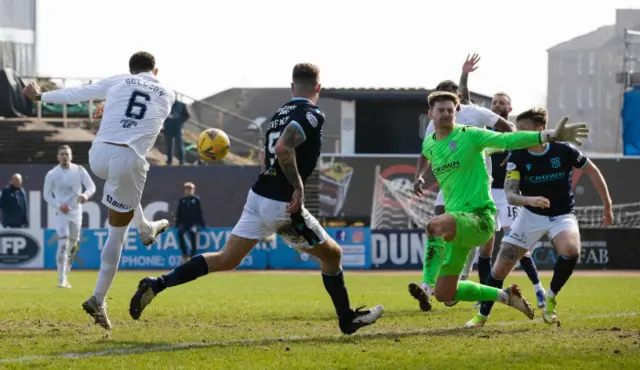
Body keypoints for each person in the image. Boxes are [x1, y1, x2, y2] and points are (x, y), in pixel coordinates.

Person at [129, 63, 384, 335]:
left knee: (227, 259)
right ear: (318, 88)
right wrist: (298, 187)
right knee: (333, 255)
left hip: (258, 197)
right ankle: (346, 318)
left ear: (291, 86)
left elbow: (267, 159)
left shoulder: (277, 115)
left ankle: (157, 283)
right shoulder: (311, 113)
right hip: (282, 205)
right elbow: (283, 147)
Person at [23, 51, 174, 330]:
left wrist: (41, 96)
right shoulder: (168, 92)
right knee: (118, 233)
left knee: (125, 192)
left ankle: (146, 228)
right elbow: (145, 111)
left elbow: (79, 93)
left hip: (98, 154)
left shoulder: (120, 81)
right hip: (128, 158)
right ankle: (98, 298)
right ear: (156, 71)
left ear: (131, 70)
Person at [410, 91, 589, 320]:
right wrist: (420, 176)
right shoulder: (430, 143)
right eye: (441, 110)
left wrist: (549, 135)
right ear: (430, 114)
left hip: (480, 218)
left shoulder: (470, 135)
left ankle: (425, 285)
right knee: (445, 293)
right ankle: (505, 296)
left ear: (457, 113)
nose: (446, 114)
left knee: (434, 226)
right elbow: (426, 154)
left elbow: (508, 140)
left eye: (450, 110)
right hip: (458, 225)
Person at [466, 107, 611, 327]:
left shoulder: (564, 149)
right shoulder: (517, 155)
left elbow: (593, 171)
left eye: (523, 129)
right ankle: (482, 315)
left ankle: (550, 296)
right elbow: (511, 194)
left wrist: (607, 204)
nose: (519, 134)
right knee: (501, 266)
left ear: (540, 129)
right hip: (530, 215)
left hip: (562, 214)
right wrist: (529, 201)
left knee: (571, 250)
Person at [409, 54, 517, 311]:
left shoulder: (475, 114)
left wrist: (510, 151)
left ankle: (462, 277)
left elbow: (508, 130)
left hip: (475, 185)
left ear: (458, 101)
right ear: (433, 109)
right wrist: (420, 175)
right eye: (441, 102)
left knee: (480, 243)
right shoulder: (434, 126)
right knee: (437, 223)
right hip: (449, 186)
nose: (446, 109)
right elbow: (426, 152)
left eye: (451, 101)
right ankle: (435, 283)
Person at [463, 92, 546, 310]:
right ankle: (484, 295)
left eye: (502, 103)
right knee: (485, 248)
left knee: (516, 243)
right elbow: (465, 102)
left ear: (509, 108)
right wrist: (465, 76)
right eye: (494, 103)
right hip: (487, 193)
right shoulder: (483, 129)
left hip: (508, 194)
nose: (497, 105)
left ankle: (539, 288)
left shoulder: (515, 133)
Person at [43, 145, 96, 288]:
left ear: (71, 156)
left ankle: (66, 274)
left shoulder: (79, 170)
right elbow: (47, 195)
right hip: (61, 213)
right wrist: (59, 205)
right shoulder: (52, 174)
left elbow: (91, 186)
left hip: (76, 212)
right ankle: (61, 279)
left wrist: (85, 195)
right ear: (57, 157)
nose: (64, 156)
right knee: (62, 243)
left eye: (67, 154)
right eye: (62, 154)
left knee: (73, 246)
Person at [175, 182, 205, 262]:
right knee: (180, 233)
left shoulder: (196, 200)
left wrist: (201, 223)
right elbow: (179, 212)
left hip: (193, 223)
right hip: (184, 223)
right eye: (187, 189)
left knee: (192, 234)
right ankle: (184, 253)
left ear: (193, 190)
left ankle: (193, 254)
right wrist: (177, 223)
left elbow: (199, 213)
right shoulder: (182, 200)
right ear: (185, 190)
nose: (188, 191)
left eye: (190, 189)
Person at [164, 97, 190, 165]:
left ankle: (182, 161)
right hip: (168, 127)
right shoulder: (166, 105)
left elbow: (187, 116)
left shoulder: (181, 105)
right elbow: (162, 115)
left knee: (179, 144)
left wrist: (178, 119)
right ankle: (169, 161)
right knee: (169, 145)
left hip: (178, 127)